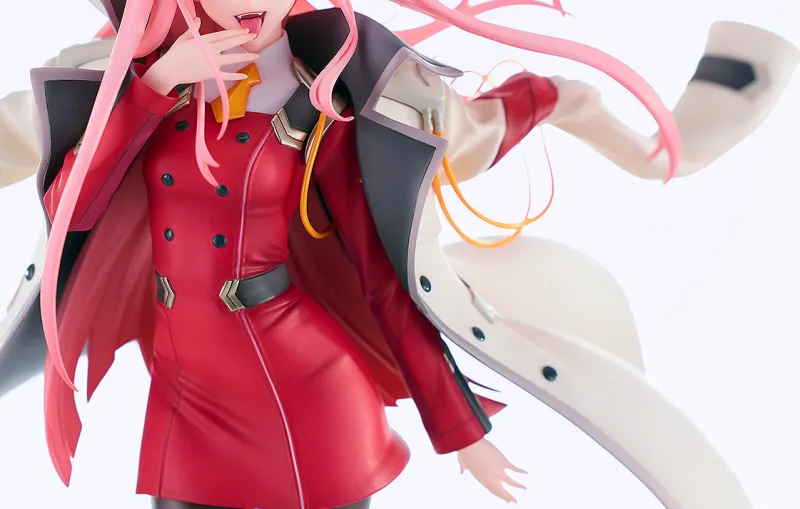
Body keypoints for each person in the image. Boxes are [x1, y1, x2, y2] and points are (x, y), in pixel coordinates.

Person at [0, 1, 797, 508]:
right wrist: (154, 87)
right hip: (186, 392)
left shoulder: (327, 101)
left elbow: (385, 277)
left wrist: (461, 429)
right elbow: (71, 204)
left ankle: (641, 112)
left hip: (303, 393)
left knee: (490, 122)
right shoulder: (124, 88)